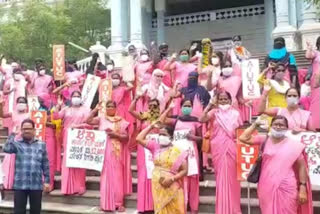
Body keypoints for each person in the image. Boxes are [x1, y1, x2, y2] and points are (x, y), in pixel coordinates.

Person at [239, 116, 311, 214]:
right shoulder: (264, 139)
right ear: (271, 126)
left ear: (287, 128)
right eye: (275, 124)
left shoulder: (294, 145)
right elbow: (243, 138)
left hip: (287, 186)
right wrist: (255, 125)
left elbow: (302, 166)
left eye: (281, 125)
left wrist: (302, 188)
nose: (278, 127)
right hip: (266, 184)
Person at [200, 91, 242, 214]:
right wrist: (209, 105)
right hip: (218, 147)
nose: (223, 101)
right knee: (221, 177)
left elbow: (239, 131)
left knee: (232, 178)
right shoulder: (214, 113)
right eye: (221, 99)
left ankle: (234, 208)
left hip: (231, 147)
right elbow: (201, 119)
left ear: (230, 101)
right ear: (217, 101)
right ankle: (222, 209)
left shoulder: (236, 114)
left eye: (225, 99)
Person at [159, 98, 202, 214]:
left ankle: (193, 207)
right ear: (181, 107)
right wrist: (169, 108)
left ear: (192, 108)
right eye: (185, 105)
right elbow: (161, 120)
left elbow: (201, 139)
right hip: (177, 152)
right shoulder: (176, 120)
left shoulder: (196, 121)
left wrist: (193, 138)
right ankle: (180, 205)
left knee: (192, 178)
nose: (187, 107)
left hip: (191, 153)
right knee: (179, 177)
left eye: (189, 106)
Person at [87, 101, 129, 212]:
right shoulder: (101, 119)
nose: (110, 108)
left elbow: (126, 138)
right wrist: (95, 110)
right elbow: (88, 121)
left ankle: (118, 202)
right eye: (108, 107)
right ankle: (106, 203)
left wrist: (116, 135)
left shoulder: (121, 121)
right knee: (106, 177)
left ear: (116, 108)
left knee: (117, 177)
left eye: (112, 107)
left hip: (116, 151)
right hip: (104, 151)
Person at [136, 123, 188, 214]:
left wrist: (172, 179)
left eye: (164, 135)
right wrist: (150, 126)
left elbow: (185, 170)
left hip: (172, 186)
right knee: (160, 209)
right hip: (158, 185)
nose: (161, 137)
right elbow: (138, 138)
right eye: (159, 134)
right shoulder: (154, 146)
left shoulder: (178, 151)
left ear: (171, 137)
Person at [3, 119, 50, 214]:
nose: (26, 131)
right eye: (24, 129)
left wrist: (47, 181)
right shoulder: (17, 144)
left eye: (29, 128)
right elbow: (6, 148)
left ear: (34, 130)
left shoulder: (41, 145)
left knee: (35, 211)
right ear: (21, 130)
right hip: (20, 184)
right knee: (19, 211)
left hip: (36, 185)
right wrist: (12, 134)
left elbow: (45, 163)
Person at [53, 91, 91, 195]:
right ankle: (67, 188)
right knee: (68, 160)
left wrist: (77, 126)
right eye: (74, 96)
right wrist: (58, 106)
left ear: (81, 98)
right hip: (68, 136)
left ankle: (80, 187)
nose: (76, 98)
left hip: (80, 137)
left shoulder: (86, 110)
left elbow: (89, 124)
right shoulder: (66, 109)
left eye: (78, 96)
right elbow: (56, 117)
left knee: (79, 160)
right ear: (70, 98)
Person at [129, 97, 161, 213]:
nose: (152, 107)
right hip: (143, 149)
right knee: (143, 175)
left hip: (156, 149)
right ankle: (143, 206)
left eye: (155, 105)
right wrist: (136, 98)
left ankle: (155, 205)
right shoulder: (144, 116)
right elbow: (130, 110)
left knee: (156, 174)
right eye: (150, 105)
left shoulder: (161, 118)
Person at [0, 96, 30, 190]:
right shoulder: (13, 113)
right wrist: (1, 105)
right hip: (14, 139)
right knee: (12, 161)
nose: (21, 104)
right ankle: (10, 182)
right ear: (16, 104)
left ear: (26, 105)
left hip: (25, 140)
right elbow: (2, 115)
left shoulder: (29, 114)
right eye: (19, 102)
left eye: (23, 102)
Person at [305, 38, 320, 130]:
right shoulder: (316, 53)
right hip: (317, 82)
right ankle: (315, 125)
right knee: (317, 102)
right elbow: (308, 56)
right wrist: (309, 47)